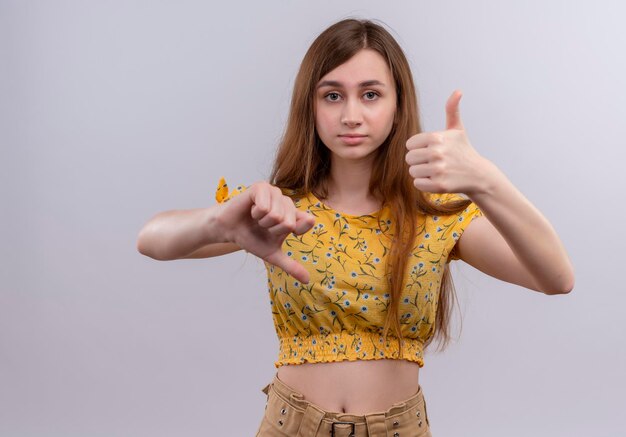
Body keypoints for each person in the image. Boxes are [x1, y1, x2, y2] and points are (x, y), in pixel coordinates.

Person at [137, 18, 574, 437]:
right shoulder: (279, 208)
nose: (351, 115)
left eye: (370, 95)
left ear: (397, 103)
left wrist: (485, 178)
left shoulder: (434, 213)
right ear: (309, 105)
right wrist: (220, 222)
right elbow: (152, 239)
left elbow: (556, 278)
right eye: (332, 95)